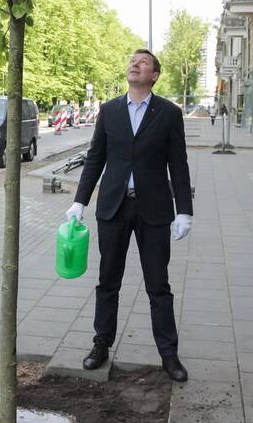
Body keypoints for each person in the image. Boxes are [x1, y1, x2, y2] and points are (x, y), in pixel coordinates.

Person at [66, 49, 194, 382]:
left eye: (143, 62)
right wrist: (80, 201)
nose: (134, 64)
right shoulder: (109, 111)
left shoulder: (168, 113)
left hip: (153, 210)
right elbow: (95, 159)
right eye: (132, 61)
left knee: (158, 286)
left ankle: (169, 356)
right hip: (113, 207)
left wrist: (184, 211)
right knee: (108, 281)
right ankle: (101, 345)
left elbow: (178, 164)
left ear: (154, 75)